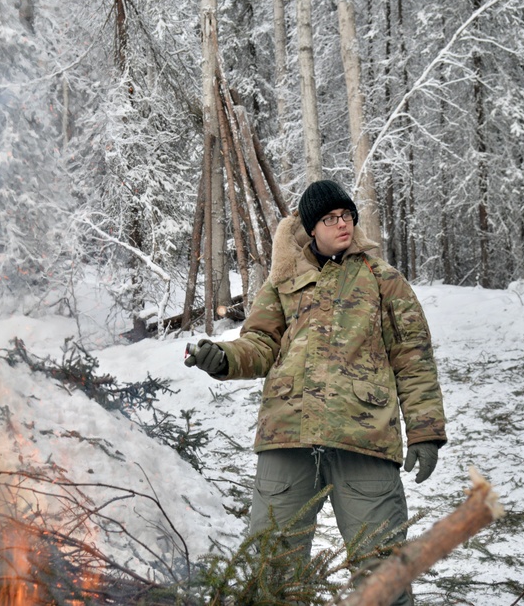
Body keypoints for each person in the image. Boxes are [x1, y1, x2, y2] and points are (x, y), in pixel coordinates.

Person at [185, 179, 446, 605]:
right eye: (329, 218)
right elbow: (261, 344)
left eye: (346, 215)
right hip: (287, 437)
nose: (342, 224)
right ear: (311, 229)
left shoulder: (383, 280)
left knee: (382, 573)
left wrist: (426, 431)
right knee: (272, 572)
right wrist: (225, 358)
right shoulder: (283, 283)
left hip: (364, 439)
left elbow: (412, 356)